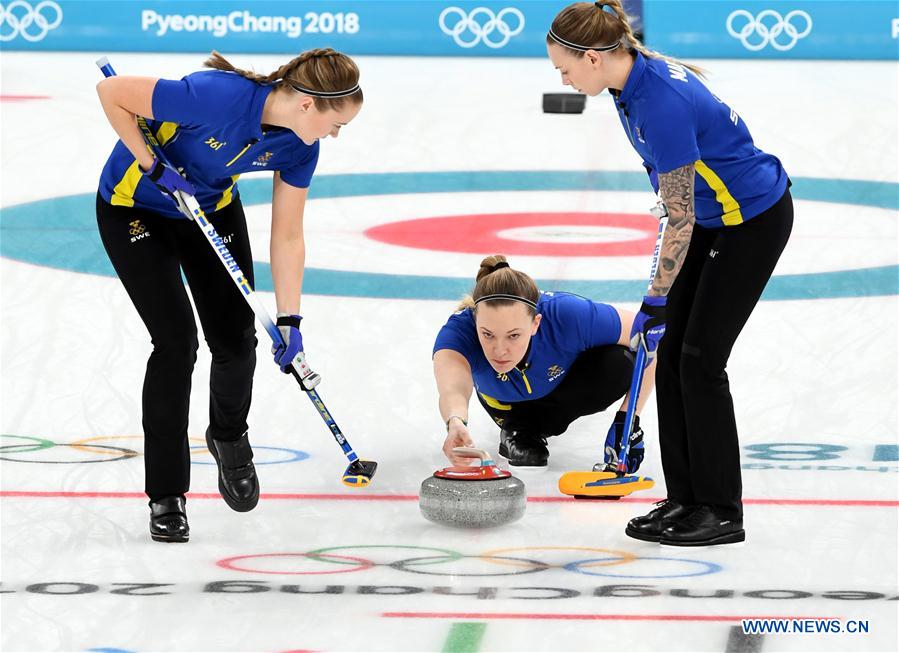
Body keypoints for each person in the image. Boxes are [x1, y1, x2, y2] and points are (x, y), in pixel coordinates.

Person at [546, 1, 793, 546]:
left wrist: (657, 296)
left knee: (700, 361)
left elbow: (679, 216)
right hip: (709, 216)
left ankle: (721, 510)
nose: (562, 79)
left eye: (564, 68)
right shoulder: (624, 87)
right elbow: (674, 203)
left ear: (592, 58)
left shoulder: (660, 103)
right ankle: (685, 499)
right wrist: (660, 297)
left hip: (750, 222)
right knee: (672, 351)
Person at [95, 48, 363, 542]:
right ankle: (166, 494)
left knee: (237, 340)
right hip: (135, 206)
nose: (335, 134)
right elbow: (111, 92)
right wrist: (152, 165)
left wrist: (291, 319)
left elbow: (288, 235)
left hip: (210, 210)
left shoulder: (299, 147)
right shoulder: (216, 96)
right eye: (336, 123)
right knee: (176, 344)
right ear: (308, 104)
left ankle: (228, 436)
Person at [433, 255, 655, 472]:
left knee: (619, 362)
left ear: (535, 323)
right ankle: (520, 428)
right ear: (475, 321)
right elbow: (454, 388)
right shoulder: (458, 333)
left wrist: (628, 418)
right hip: (507, 405)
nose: (499, 350)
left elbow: (651, 337)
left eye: (513, 335)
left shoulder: (567, 315)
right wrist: (456, 421)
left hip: (561, 390)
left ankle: (532, 426)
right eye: (487, 334)